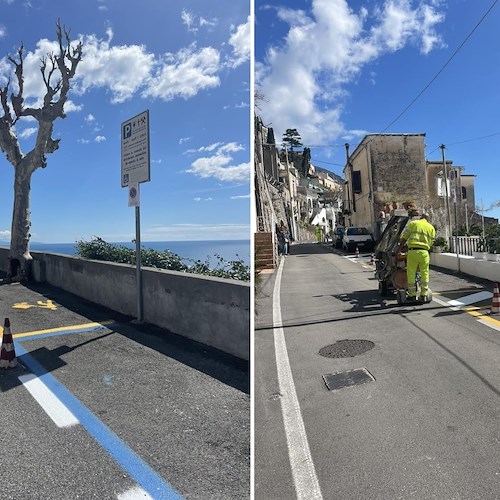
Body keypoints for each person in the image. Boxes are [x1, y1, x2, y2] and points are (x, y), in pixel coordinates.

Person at [399, 210, 436, 301]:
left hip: (413, 251)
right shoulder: (431, 228)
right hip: (424, 252)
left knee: (411, 272)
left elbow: (404, 237)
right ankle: (423, 294)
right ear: (428, 219)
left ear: (421, 217)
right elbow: (431, 243)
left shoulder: (413, 223)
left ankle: (412, 295)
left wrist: (399, 249)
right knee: (424, 273)